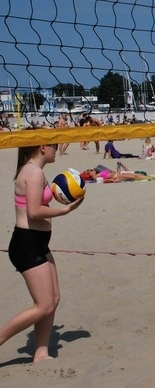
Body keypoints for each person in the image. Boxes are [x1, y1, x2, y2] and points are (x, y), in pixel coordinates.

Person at [1, 142, 84, 362]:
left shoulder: (34, 171)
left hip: (37, 242)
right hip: (27, 244)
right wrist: (65, 210)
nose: (57, 148)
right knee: (43, 305)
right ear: (43, 146)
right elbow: (34, 211)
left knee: (53, 299)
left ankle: (40, 352)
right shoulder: (34, 173)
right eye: (54, 145)